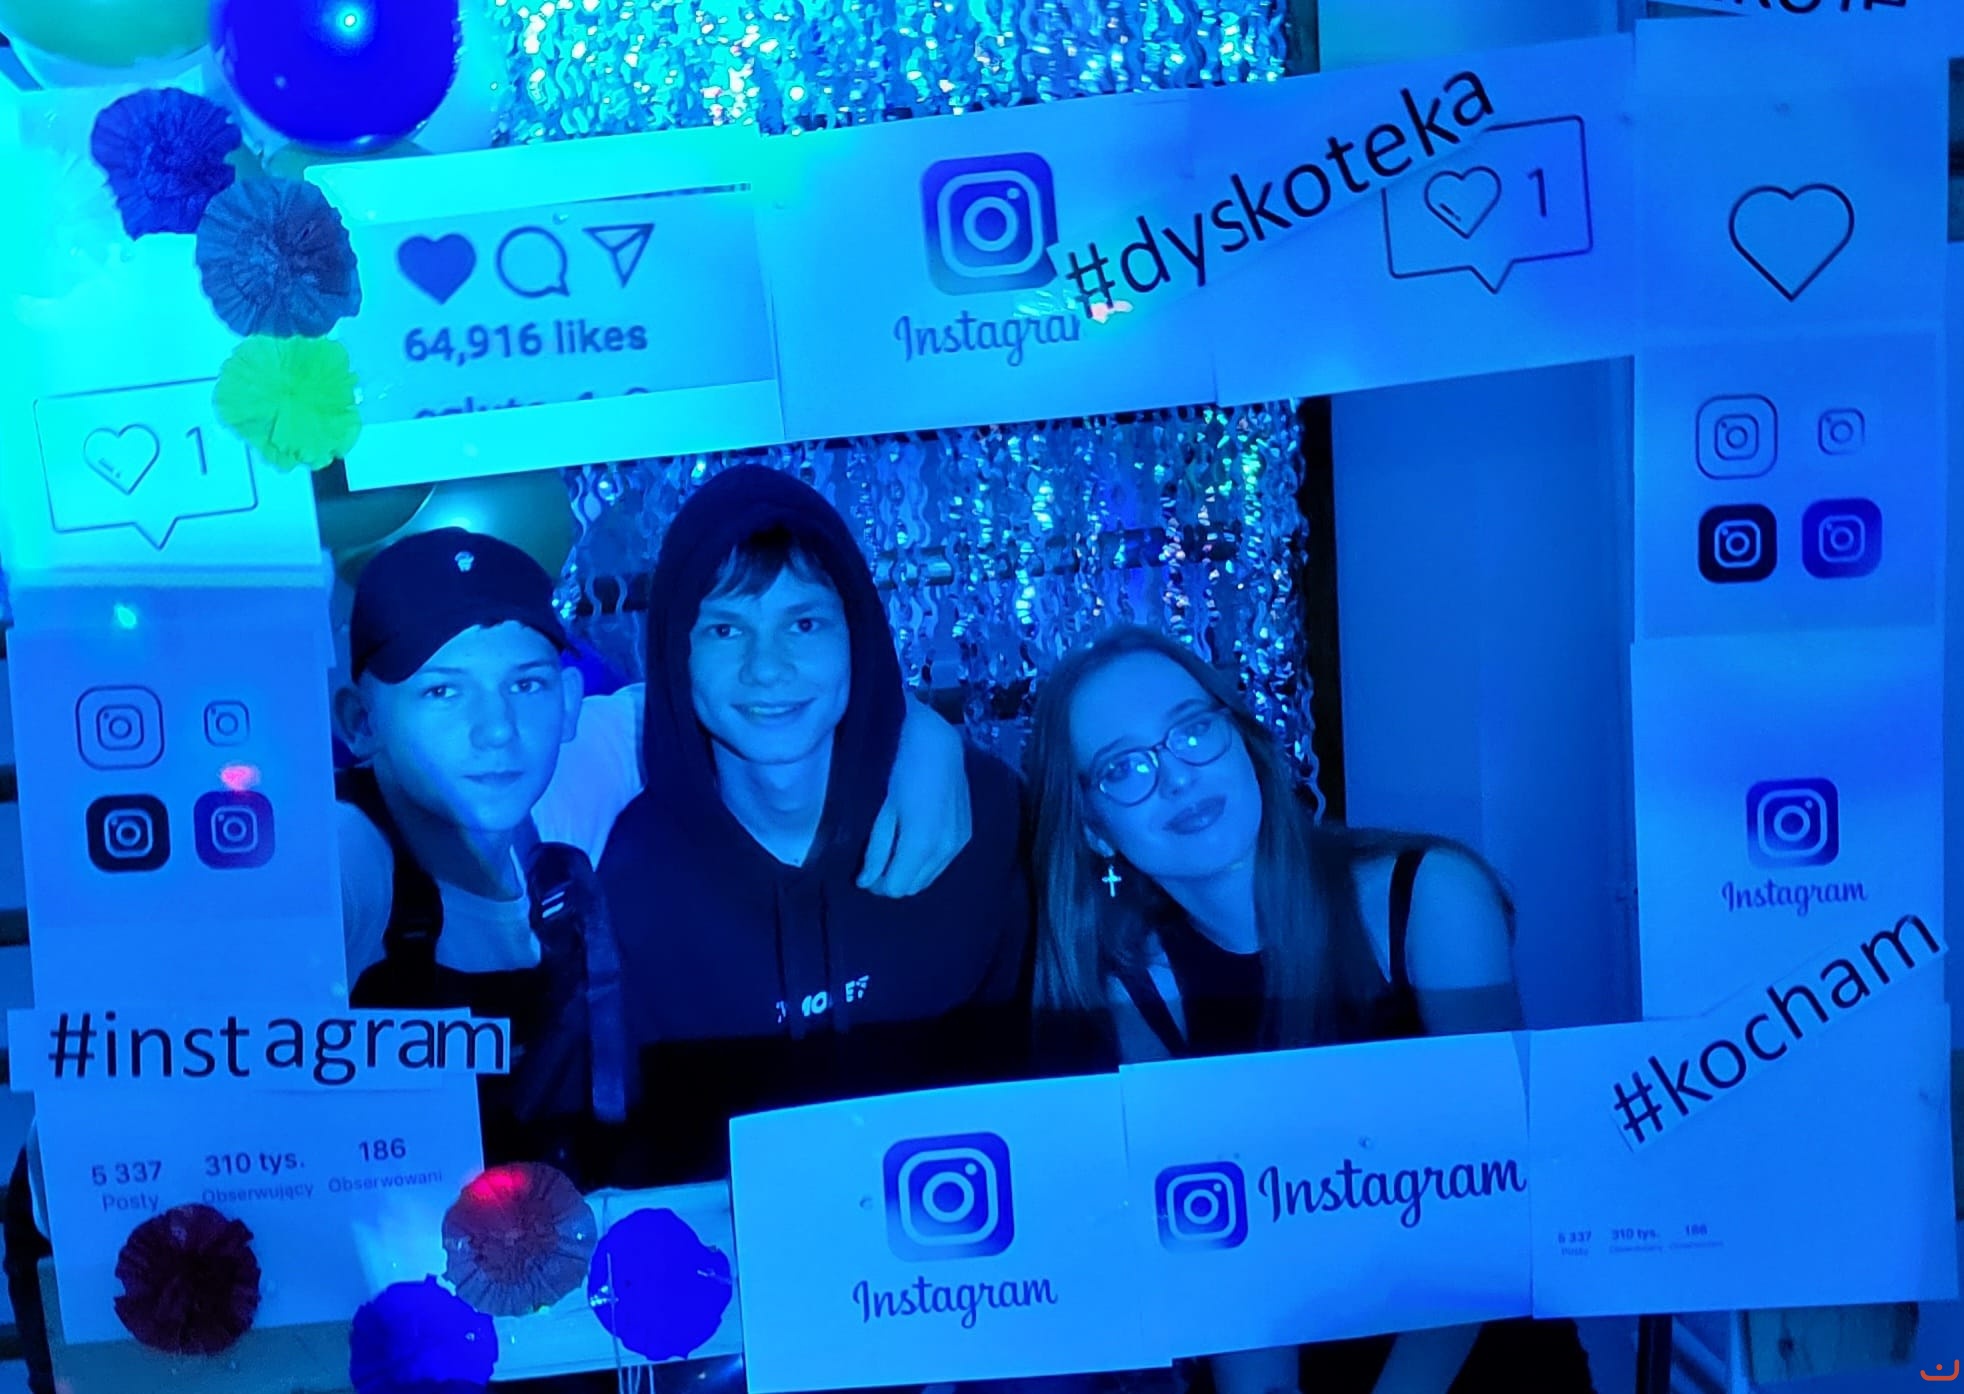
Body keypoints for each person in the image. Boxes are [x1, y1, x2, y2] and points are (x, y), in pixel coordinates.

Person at [1024, 624, 1595, 1394]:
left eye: (1192, 731)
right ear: (1094, 829)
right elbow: (1227, 1258)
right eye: (1124, 767)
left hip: (1483, 1357)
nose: (1178, 778)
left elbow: (1494, 1202)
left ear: (1243, 739)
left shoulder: (1428, 898)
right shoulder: (1142, 988)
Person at [599, 465, 1034, 1190]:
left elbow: (1045, 1086)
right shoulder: (628, 878)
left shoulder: (984, 821)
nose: (767, 668)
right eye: (725, 628)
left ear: (857, 634)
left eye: (804, 624)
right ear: (677, 653)